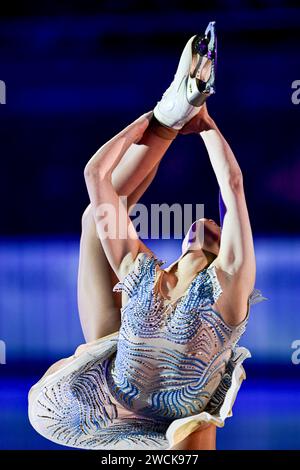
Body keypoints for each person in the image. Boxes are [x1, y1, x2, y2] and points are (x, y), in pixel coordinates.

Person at [28, 22, 265, 450]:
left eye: (215, 227)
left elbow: (96, 175)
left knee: (97, 217)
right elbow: (228, 192)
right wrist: (185, 114)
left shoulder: (148, 277)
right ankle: (171, 115)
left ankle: (169, 116)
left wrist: (170, 117)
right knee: (95, 218)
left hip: (122, 393)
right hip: (170, 405)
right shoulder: (215, 285)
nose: (210, 221)